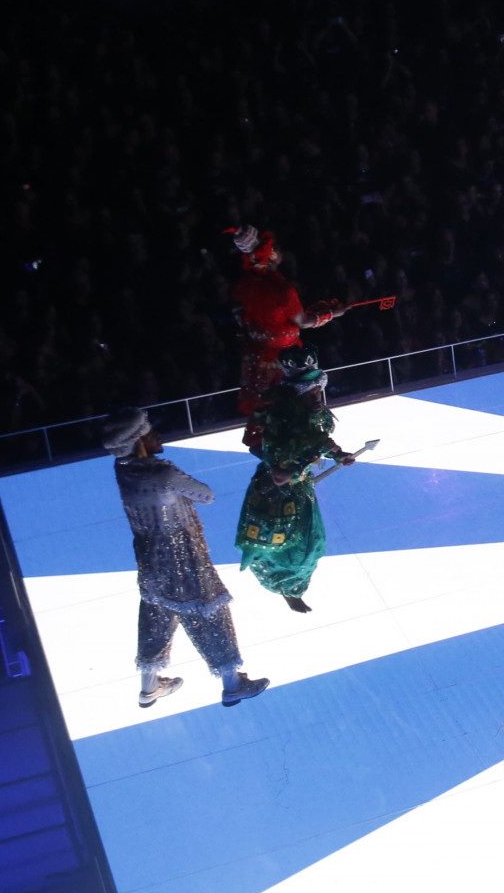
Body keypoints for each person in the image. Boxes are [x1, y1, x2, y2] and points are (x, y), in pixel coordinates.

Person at [105, 409, 269, 709]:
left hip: (149, 560)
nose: (157, 436)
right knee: (211, 616)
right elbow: (206, 495)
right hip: (184, 559)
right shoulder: (163, 473)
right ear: (137, 441)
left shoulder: (123, 469)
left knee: (157, 619)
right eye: (149, 432)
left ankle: (149, 688)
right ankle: (232, 684)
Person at [235, 349, 356, 613]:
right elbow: (274, 456)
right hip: (279, 489)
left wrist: (337, 454)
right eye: (312, 392)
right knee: (291, 546)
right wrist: (296, 466)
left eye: (318, 391)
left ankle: (293, 588)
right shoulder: (280, 413)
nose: (317, 397)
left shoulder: (305, 410)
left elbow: (316, 438)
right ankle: (287, 588)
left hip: (296, 485)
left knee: (306, 544)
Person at [230, 225, 346, 453]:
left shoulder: (244, 284)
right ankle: (301, 450)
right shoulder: (282, 290)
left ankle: (267, 448)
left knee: (265, 407)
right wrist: (331, 313)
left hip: (258, 355)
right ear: (271, 254)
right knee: (297, 403)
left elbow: (242, 314)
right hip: (286, 357)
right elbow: (302, 321)